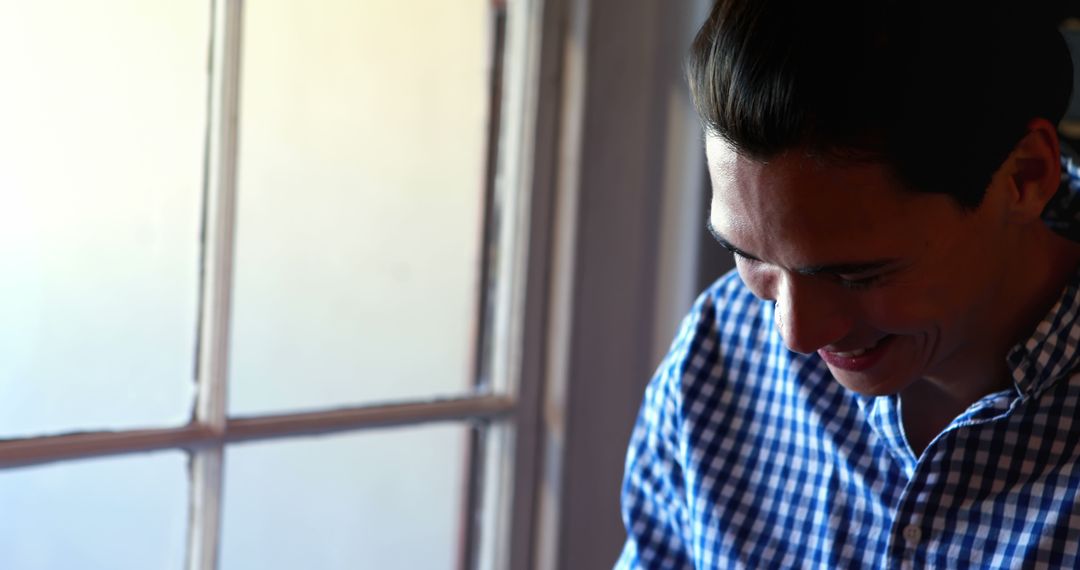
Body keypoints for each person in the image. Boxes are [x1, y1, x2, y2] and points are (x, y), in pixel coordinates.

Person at [617, 1, 1080, 568]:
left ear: (1024, 177)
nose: (795, 335)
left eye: (855, 273)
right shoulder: (720, 349)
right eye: (748, 254)